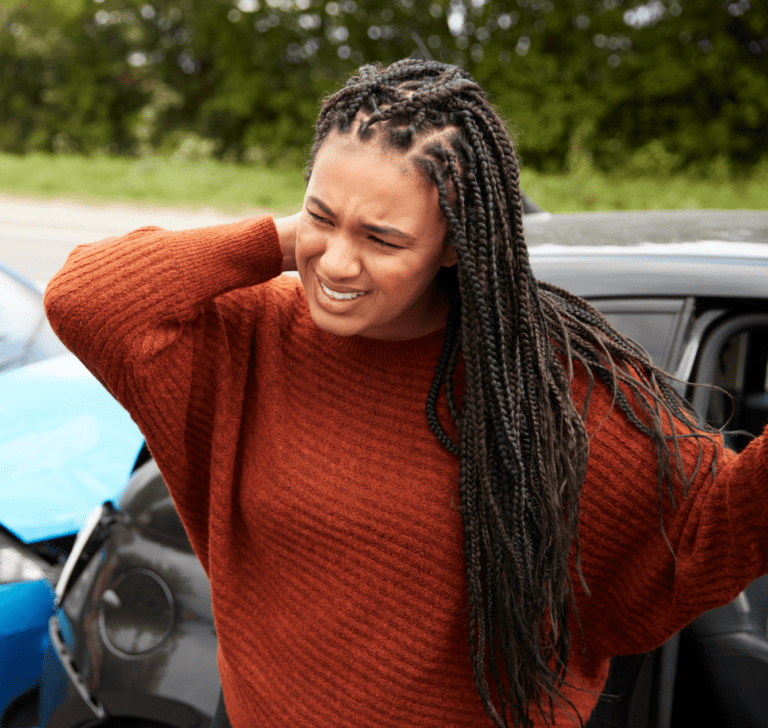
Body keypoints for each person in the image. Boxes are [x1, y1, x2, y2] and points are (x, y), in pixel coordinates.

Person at [45, 59, 768, 728]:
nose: (337, 263)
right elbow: (87, 298)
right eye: (321, 216)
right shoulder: (252, 332)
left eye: (383, 239)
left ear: (455, 243)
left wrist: (336, 217)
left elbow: (717, 526)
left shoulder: (548, 384)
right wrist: (290, 235)